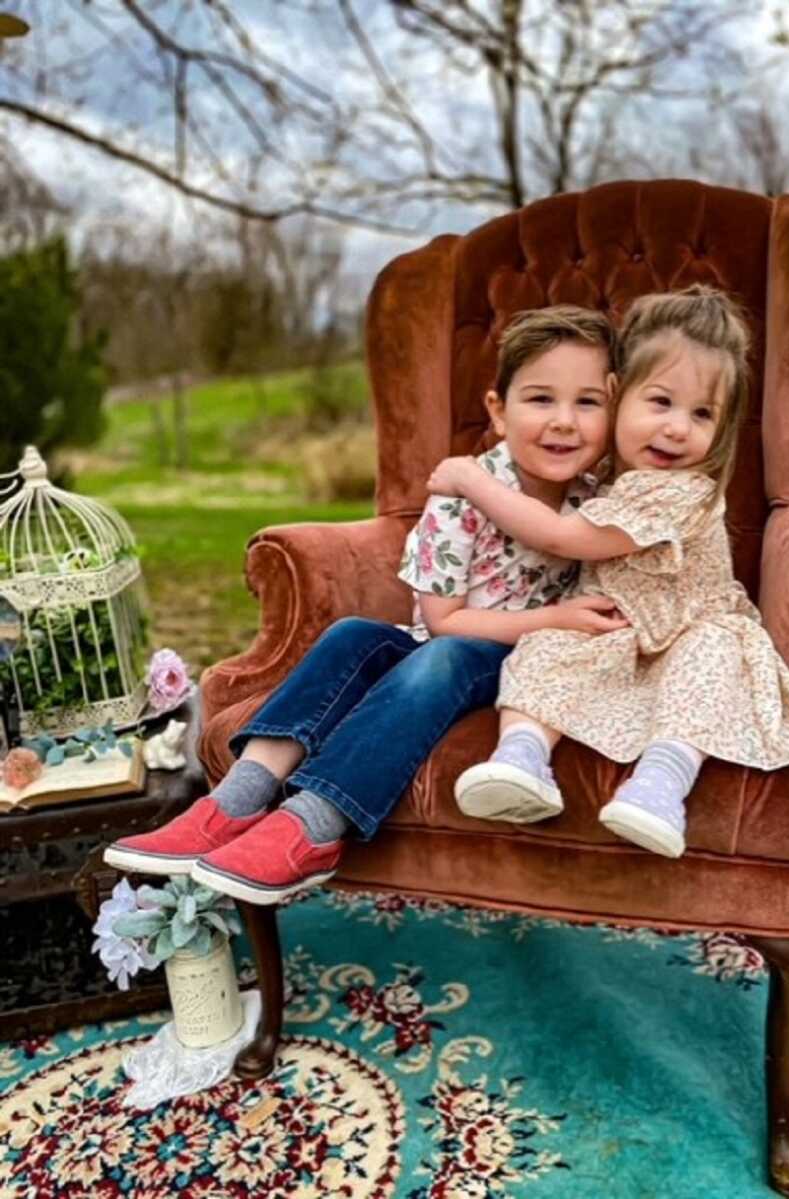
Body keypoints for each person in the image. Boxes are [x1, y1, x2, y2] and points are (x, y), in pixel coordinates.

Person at [104, 304, 628, 902]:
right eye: (540, 399)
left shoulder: (605, 501)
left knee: (445, 658)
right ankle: (236, 800)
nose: (564, 421)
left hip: (526, 666)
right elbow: (443, 619)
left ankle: (314, 827)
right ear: (497, 411)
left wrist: (560, 624)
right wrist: (557, 614)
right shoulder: (463, 490)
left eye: (587, 402)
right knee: (355, 634)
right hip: (452, 636)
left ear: (613, 410)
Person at [428, 285, 789, 859]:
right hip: (619, 634)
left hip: (689, 633)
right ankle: (521, 759)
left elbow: (561, 536)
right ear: (617, 398)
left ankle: (660, 786)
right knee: (546, 645)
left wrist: (471, 479)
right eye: (660, 402)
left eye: (701, 414)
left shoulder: (682, 492)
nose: (677, 429)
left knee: (708, 658)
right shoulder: (607, 474)